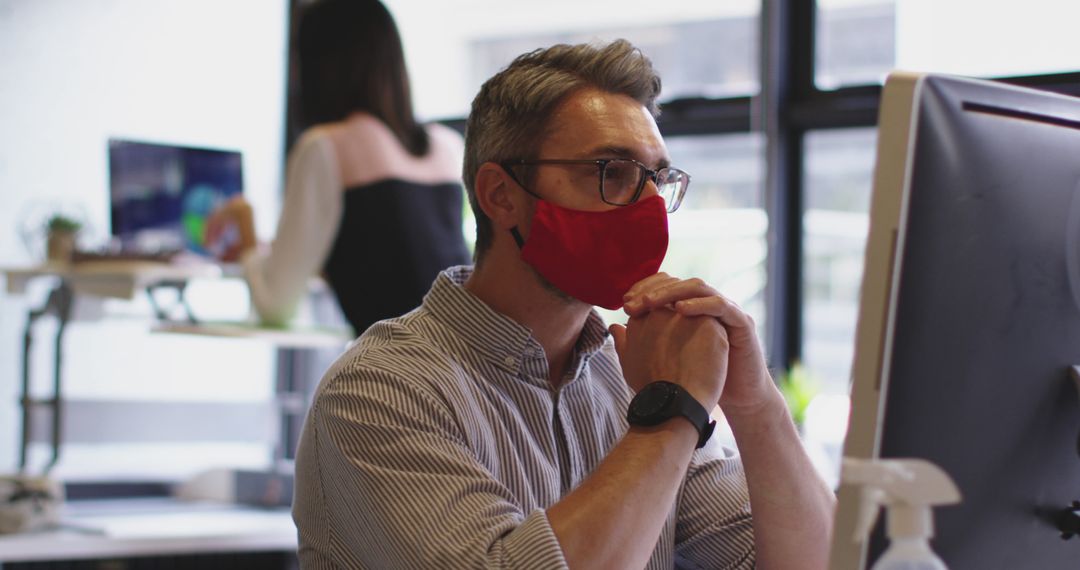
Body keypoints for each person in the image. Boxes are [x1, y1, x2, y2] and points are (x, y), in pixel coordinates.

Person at [292, 39, 836, 569]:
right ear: (501, 196)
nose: (649, 206)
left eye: (658, 179)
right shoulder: (378, 389)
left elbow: (813, 562)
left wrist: (755, 402)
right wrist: (670, 412)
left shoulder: (630, 373)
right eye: (611, 172)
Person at [205, 0, 470, 334]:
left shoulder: (327, 146)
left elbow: (276, 305)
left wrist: (245, 229)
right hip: (470, 367)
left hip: (400, 374)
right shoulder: (446, 145)